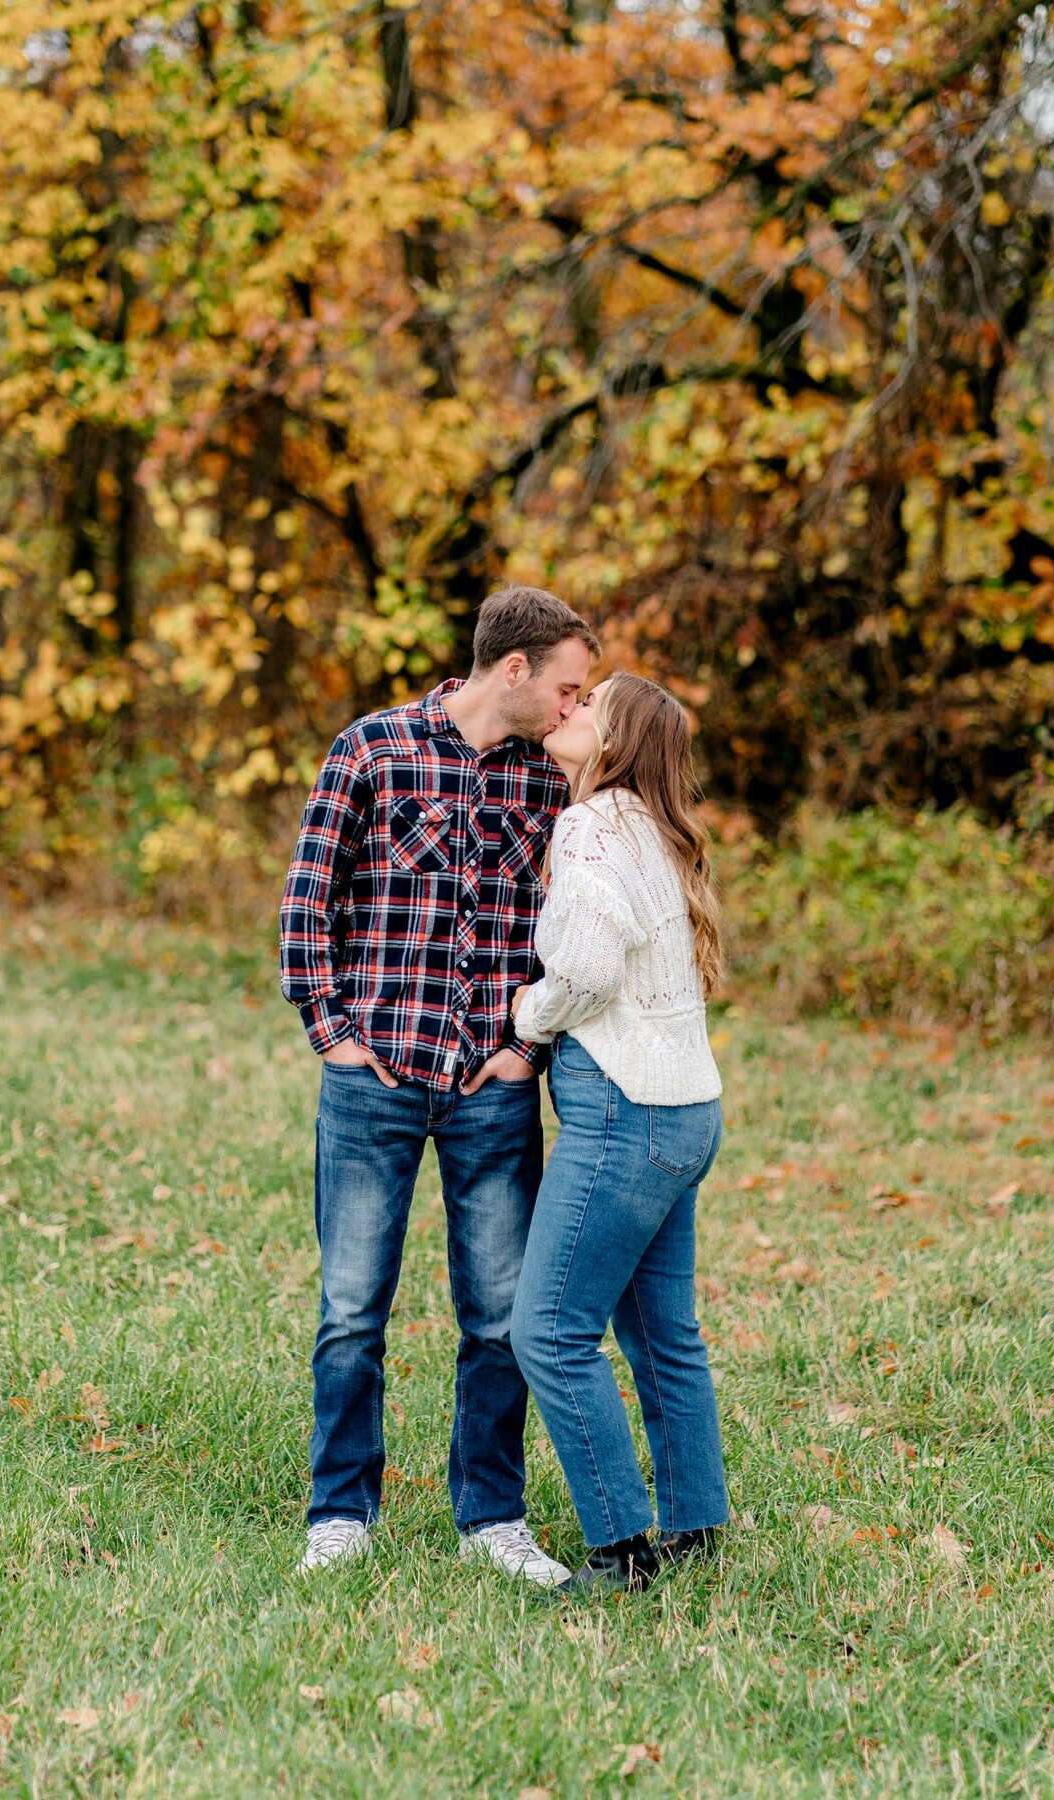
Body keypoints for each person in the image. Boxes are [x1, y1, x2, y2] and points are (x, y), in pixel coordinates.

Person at [279, 586, 600, 1583]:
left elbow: (575, 923)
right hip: (373, 1079)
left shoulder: (552, 782)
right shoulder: (371, 748)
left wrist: (525, 1053)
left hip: (491, 1086)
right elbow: (307, 907)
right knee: (350, 1309)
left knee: (500, 1316)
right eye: (568, 685)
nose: (573, 706)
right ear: (516, 669)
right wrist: (335, 1036)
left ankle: (491, 1516)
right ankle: (341, 1512)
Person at [510, 671, 728, 1593]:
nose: (568, 710)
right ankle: (694, 1523)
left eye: (587, 705)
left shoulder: (592, 827)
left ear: (616, 743)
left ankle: (620, 1550)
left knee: (549, 1330)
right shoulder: (653, 833)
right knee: (662, 1333)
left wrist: (528, 1015)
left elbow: (589, 969)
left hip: (623, 1109)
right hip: (688, 1112)